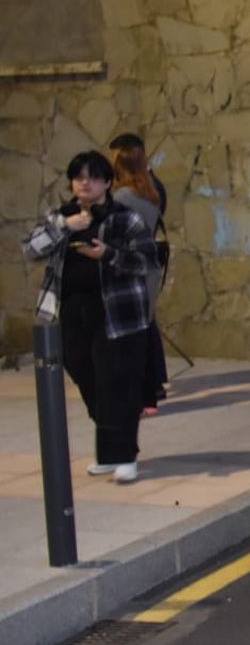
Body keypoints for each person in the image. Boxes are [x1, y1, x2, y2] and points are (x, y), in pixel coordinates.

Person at [23, 151, 157, 483]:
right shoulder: (60, 217)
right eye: (79, 176)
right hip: (69, 312)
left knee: (117, 382)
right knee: (88, 378)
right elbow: (30, 249)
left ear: (107, 182)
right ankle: (110, 447)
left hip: (116, 313)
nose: (85, 182)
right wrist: (64, 228)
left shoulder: (123, 217)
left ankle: (123, 455)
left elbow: (146, 261)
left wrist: (108, 254)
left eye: (93, 177)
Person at [109, 142, 168, 413]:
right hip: (150, 265)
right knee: (147, 324)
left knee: (135, 333)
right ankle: (153, 388)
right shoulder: (153, 192)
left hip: (131, 267)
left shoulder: (121, 198)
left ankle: (145, 392)